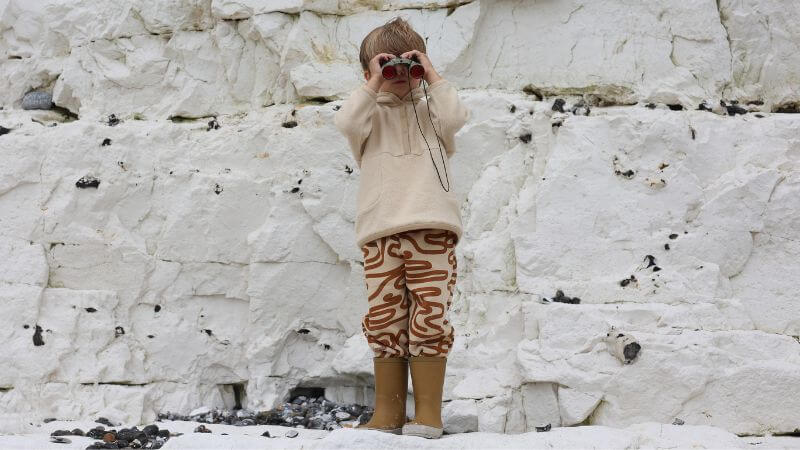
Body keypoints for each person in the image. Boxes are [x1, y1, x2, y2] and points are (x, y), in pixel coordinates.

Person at [333, 16, 470, 439]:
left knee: (430, 317)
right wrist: (376, 83)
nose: (398, 75)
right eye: (385, 67)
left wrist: (430, 76)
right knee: (385, 319)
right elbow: (346, 122)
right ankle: (388, 413)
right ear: (369, 73)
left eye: (406, 66)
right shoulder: (369, 118)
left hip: (432, 229)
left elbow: (457, 117)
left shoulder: (432, 112)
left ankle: (428, 415)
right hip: (381, 233)